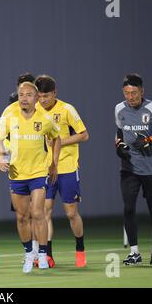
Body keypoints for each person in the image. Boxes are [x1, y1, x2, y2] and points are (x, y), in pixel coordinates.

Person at [0, 81, 61, 273]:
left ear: (36, 98)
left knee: (38, 213)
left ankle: (42, 255)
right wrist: (0, 157)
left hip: (38, 172)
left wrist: (54, 163)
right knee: (22, 216)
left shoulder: (45, 118)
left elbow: (56, 138)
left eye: (28, 95)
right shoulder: (9, 116)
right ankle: (28, 254)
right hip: (17, 173)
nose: (24, 98)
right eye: (21, 94)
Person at [115, 74, 152, 266]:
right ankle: (134, 252)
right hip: (129, 168)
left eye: (134, 93)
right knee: (128, 208)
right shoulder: (119, 108)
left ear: (142, 91)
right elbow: (119, 133)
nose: (130, 97)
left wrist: (151, 140)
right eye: (126, 93)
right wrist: (120, 147)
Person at [36, 75, 89, 268]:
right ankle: (48, 254)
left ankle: (80, 248)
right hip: (44, 170)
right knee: (44, 212)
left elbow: (84, 135)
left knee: (71, 213)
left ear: (55, 93)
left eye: (46, 96)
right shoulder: (35, 111)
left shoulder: (67, 109)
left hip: (66, 168)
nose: (43, 100)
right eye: (40, 96)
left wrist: (60, 141)